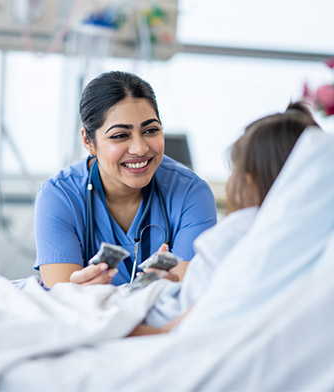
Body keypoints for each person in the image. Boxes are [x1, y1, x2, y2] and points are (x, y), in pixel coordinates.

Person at [129, 100, 321, 336]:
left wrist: (152, 291)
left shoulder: (242, 230)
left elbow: (195, 318)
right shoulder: (312, 239)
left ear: (248, 181)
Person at [34, 71, 218, 288]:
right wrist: (74, 293)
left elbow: (188, 297)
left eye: (150, 130)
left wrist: (171, 288)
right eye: (120, 135)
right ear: (88, 141)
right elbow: (61, 300)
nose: (140, 148)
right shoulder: (59, 196)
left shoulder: (191, 193)